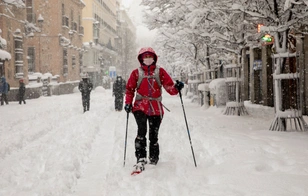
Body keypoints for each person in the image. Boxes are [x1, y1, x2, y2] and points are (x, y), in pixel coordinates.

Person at [124, 47, 184, 173]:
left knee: (153, 135)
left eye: (149, 56)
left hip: (156, 108)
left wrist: (177, 88)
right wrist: (128, 103)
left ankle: (154, 157)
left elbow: (170, 88)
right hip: (140, 106)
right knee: (141, 131)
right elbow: (129, 89)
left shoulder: (160, 72)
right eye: (145, 57)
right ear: (141, 59)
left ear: (154, 58)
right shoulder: (136, 73)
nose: (147, 59)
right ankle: (140, 157)